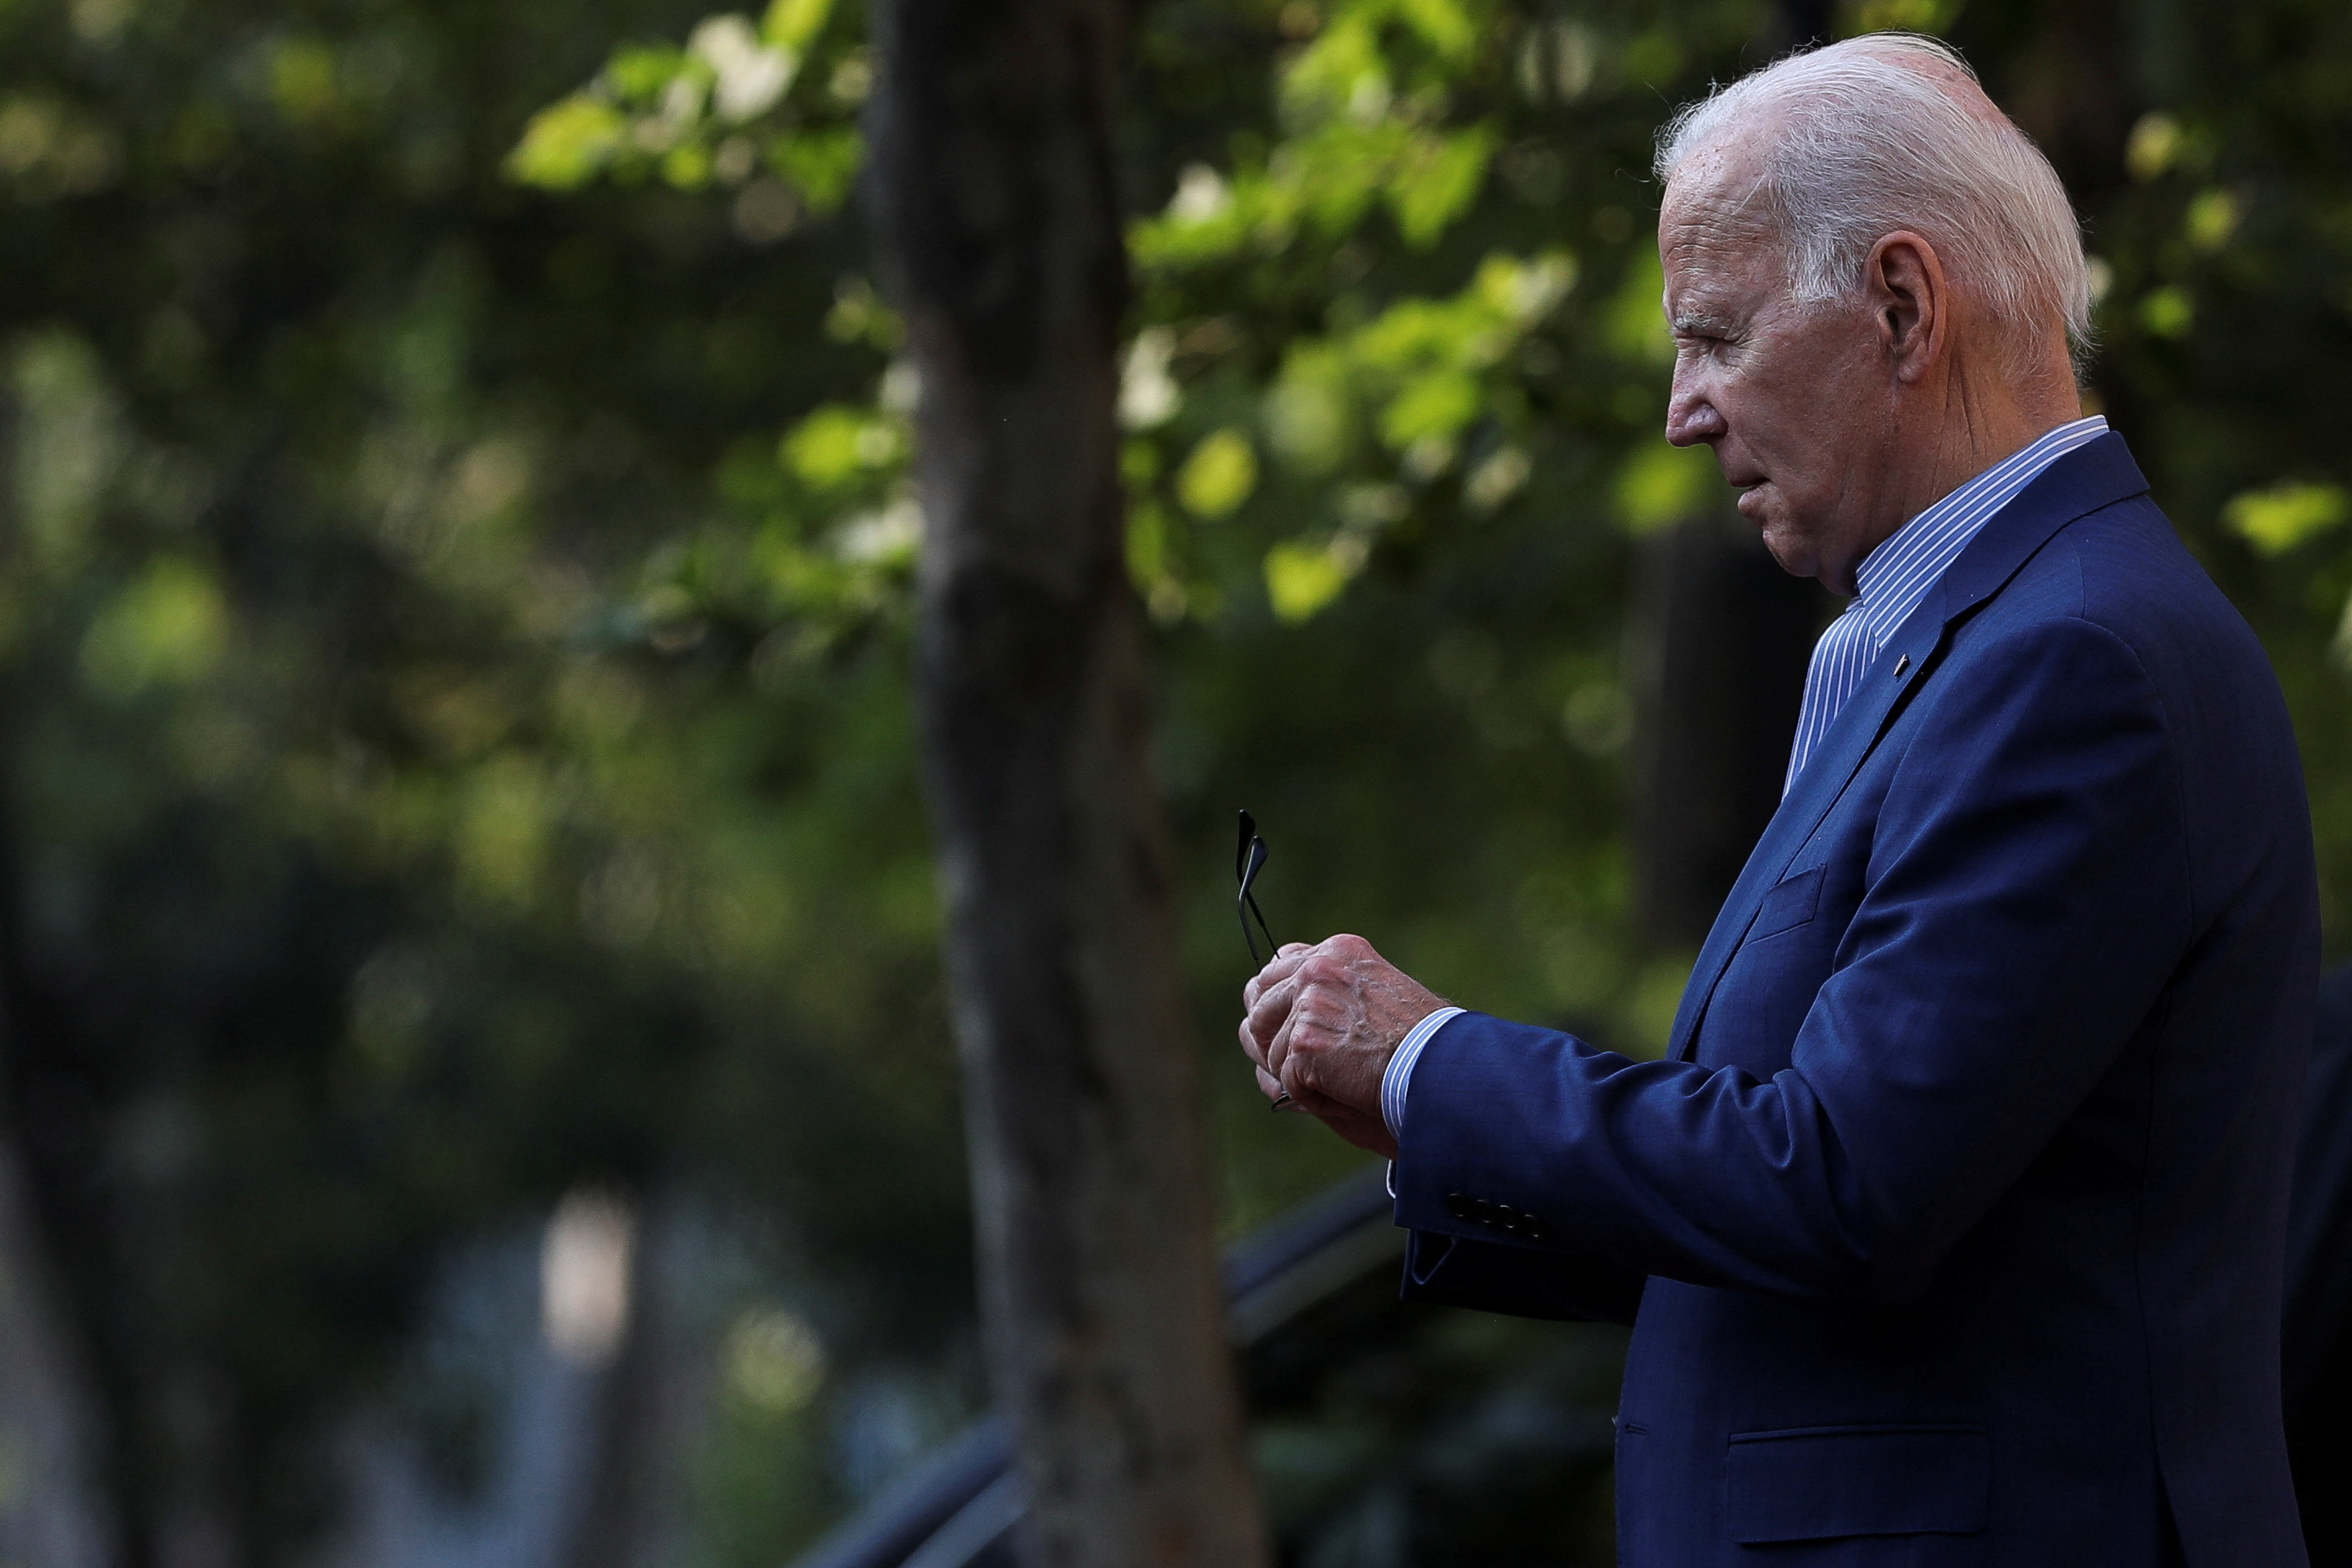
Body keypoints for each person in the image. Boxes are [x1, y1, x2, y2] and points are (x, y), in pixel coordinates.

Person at [1238, 34, 2318, 1568]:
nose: (1683, 410)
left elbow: (1846, 1190)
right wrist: (1433, 1125)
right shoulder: (1989, 641)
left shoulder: (2070, 661)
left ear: (1900, 304)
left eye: (1716, 336)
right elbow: (1807, 1216)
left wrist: (1437, 1061)